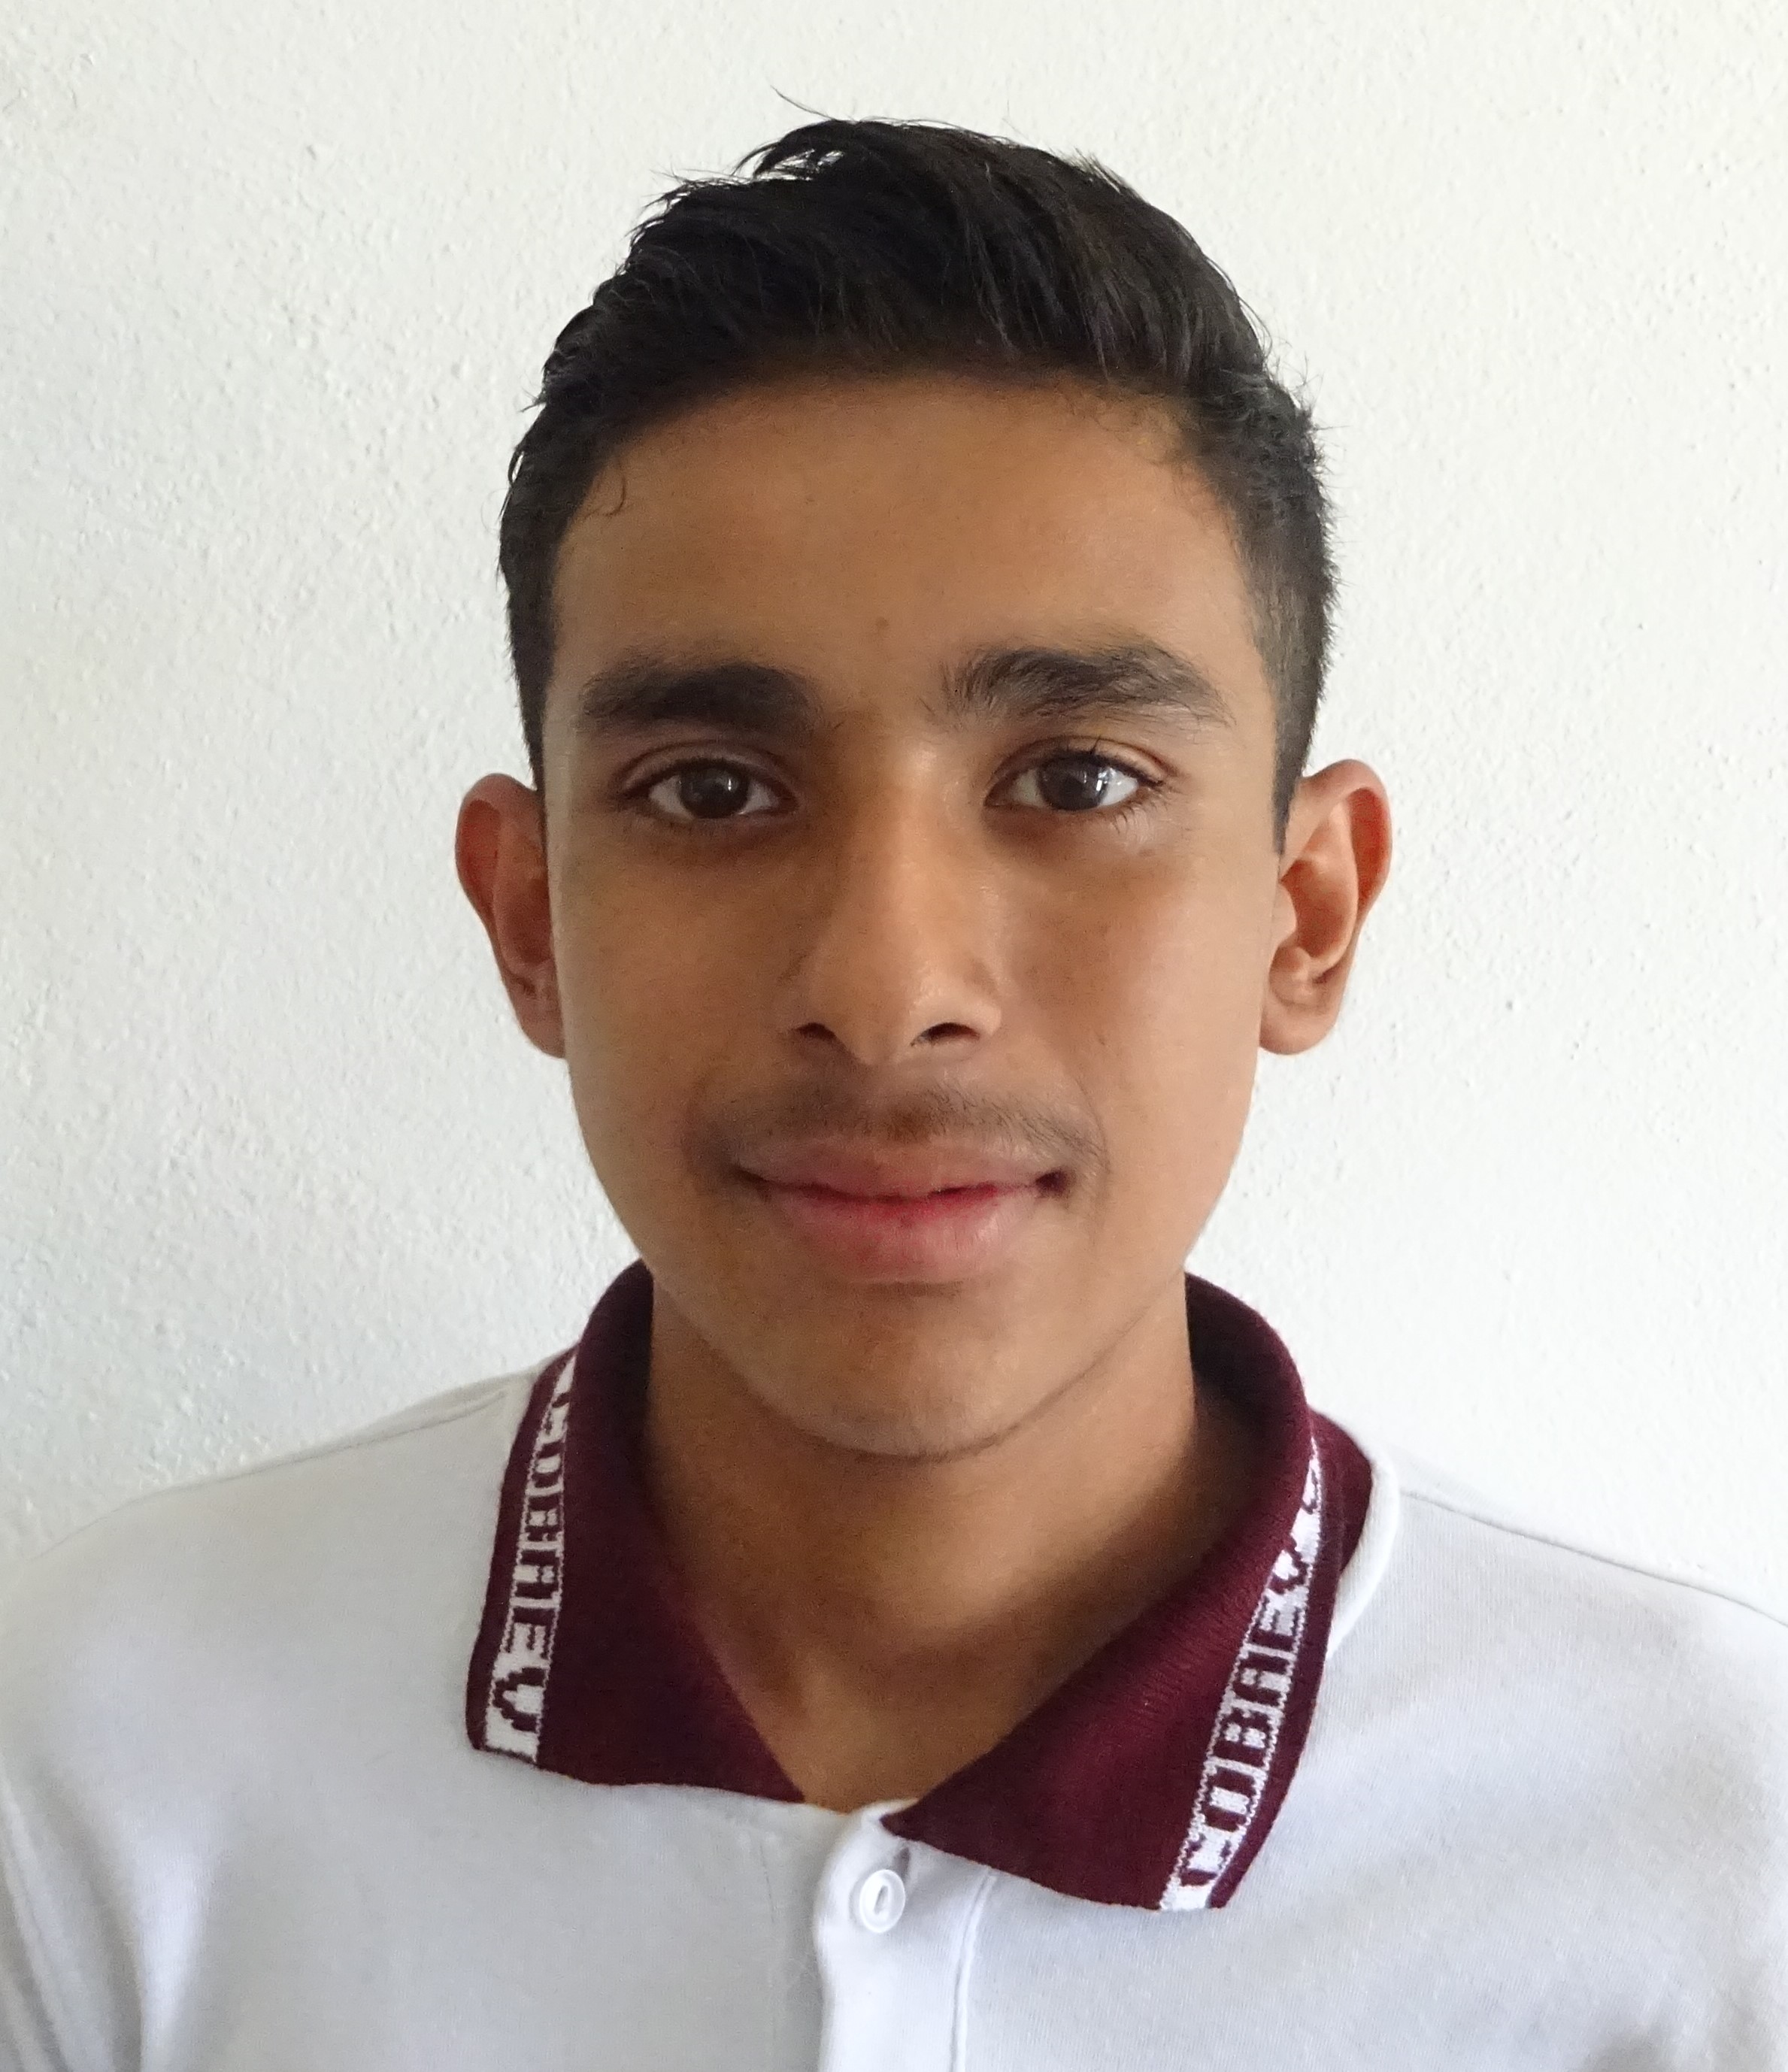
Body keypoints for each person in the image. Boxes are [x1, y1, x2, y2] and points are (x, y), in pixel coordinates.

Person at [2, 115, 1783, 2071]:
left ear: (1305, 912)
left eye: (1078, 780)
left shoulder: (1716, 1855)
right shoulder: (94, 1758)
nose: (886, 988)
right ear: (528, 919)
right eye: (712, 790)